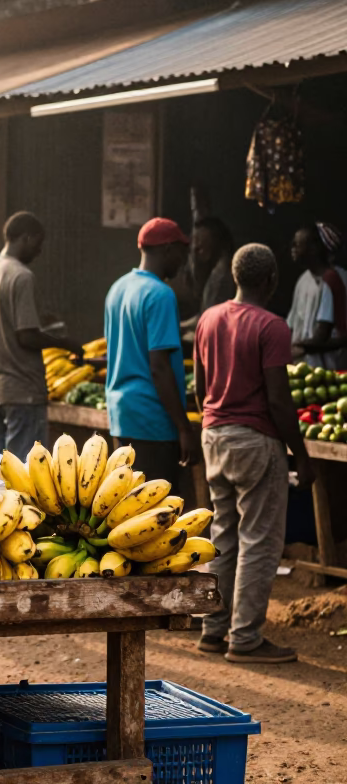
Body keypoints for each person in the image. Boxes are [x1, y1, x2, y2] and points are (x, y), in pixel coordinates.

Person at [195, 243, 313, 664]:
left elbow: (199, 387)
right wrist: (300, 452)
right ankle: (244, 638)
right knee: (260, 542)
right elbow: (279, 401)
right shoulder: (272, 327)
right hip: (255, 439)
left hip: (215, 435)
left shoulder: (209, 319)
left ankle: (213, 629)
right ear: (271, 281)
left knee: (223, 537)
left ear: (235, 276)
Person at [0, 212, 83, 459]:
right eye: (38, 242)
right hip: (23, 390)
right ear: (26, 237)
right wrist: (66, 343)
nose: (39, 250)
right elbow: (27, 336)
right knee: (24, 471)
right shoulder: (21, 276)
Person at [104, 217, 199, 486]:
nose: (183, 262)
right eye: (182, 252)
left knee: (128, 507)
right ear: (168, 249)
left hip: (122, 417)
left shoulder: (117, 288)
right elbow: (158, 366)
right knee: (156, 512)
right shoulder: (161, 294)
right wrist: (184, 428)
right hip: (154, 421)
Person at [288, 222, 347, 370]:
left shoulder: (335, 279)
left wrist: (299, 347)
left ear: (314, 249)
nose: (293, 248)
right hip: (305, 367)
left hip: (330, 368)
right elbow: (292, 324)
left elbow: (324, 333)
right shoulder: (303, 280)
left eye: (298, 244)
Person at [181, 217, 236, 344]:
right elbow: (204, 316)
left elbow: (212, 326)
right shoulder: (216, 272)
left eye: (200, 242)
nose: (195, 248)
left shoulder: (221, 277)